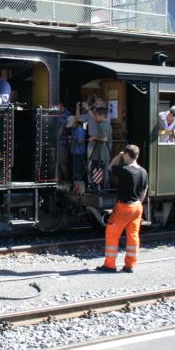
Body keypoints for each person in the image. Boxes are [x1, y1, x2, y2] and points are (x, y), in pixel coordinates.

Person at [96, 144, 148, 273]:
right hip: (137, 206)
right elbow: (144, 189)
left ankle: (110, 265)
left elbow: (109, 167)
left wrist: (118, 156)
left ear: (126, 154)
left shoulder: (124, 170)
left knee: (112, 234)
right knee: (133, 235)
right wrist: (139, 202)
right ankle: (130, 265)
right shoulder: (143, 171)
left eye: (124, 154)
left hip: (124, 206)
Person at [69, 116, 87, 196]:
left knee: (79, 171)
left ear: (75, 122)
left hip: (79, 153)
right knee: (75, 171)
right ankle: (76, 189)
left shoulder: (80, 130)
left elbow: (80, 142)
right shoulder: (74, 129)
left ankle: (80, 190)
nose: (71, 126)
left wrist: (73, 139)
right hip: (74, 152)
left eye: (71, 124)